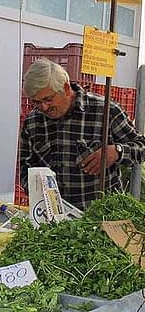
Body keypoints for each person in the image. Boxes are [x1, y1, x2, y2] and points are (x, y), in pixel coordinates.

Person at [20, 58, 145, 210]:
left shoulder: (105, 111)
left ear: (66, 89)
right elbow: (26, 166)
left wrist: (116, 152)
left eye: (48, 99)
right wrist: (35, 191)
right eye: (37, 102)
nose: (44, 107)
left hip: (101, 215)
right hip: (53, 218)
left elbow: (141, 147)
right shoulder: (33, 122)